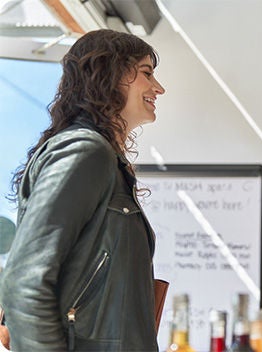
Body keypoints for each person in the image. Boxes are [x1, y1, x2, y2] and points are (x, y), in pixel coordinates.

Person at [0, 29, 165, 351]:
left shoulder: (103, 158)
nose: (159, 88)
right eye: (147, 73)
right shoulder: (86, 151)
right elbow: (24, 282)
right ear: (109, 73)